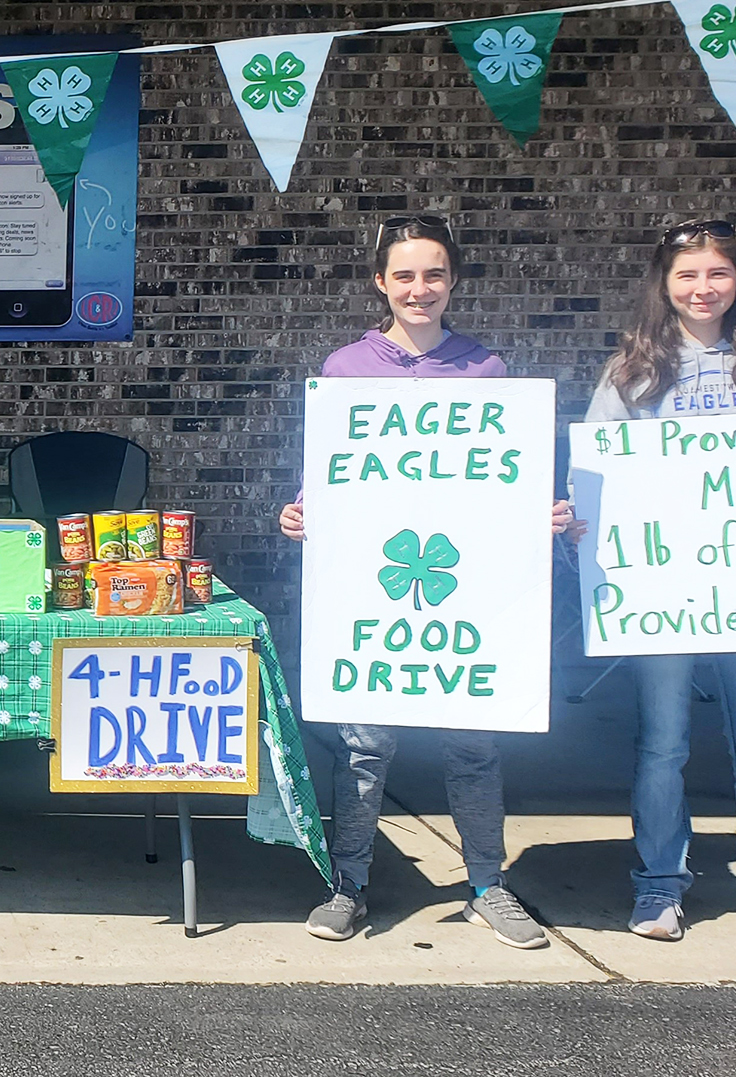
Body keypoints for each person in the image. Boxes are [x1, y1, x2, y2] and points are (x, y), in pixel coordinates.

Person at [279, 214, 578, 950]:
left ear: (454, 281)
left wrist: (542, 513)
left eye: (435, 274)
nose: (421, 288)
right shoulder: (345, 369)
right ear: (380, 282)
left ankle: (486, 884)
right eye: (405, 275)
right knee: (363, 744)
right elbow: (328, 479)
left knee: (474, 746)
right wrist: (300, 513)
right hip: (374, 590)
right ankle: (349, 885)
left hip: (464, 590)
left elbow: (506, 481)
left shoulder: (488, 371)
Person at [584, 219, 736, 951]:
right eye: (687, 276)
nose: (702, 288)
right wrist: (575, 514)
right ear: (664, 285)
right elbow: (594, 475)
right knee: (663, 745)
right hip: (663, 593)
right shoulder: (632, 370)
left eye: (716, 274)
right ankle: (660, 883)